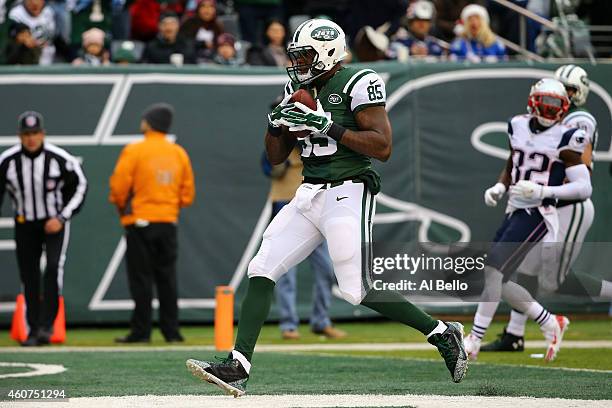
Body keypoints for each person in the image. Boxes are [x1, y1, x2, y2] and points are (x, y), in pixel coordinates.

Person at [186, 18, 468, 397]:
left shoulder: (358, 82)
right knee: (262, 266)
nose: (299, 63)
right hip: (309, 192)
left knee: (356, 289)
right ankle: (239, 364)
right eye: (296, 55)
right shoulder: (295, 87)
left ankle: (440, 333)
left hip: (348, 190)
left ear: (329, 53)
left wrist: (327, 125)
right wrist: (274, 126)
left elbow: (382, 147)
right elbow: (276, 158)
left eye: (306, 55)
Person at [481, 65, 612, 353]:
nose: (562, 94)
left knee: (554, 282)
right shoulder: (534, 124)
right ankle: (515, 334)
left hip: (568, 204)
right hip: (546, 205)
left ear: (579, 93)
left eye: (569, 89)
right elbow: (518, 158)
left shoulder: (578, 121)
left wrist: (545, 187)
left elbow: (580, 168)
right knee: (524, 269)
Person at [110, 103, 195, 344]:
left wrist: (122, 209)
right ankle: (172, 332)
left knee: (141, 279)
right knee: (167, 278)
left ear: (149, 123)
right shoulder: (178, 152)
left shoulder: (135, 150)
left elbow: (119, 187)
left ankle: (141, 331)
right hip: (168, 222)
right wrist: (170, 206)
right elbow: (187, 194)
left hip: (140, 222)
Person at [0, 111, 88, 346]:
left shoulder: (58, 158)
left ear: (43, 134)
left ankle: (47, 327)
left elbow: (80, 185)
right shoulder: (7, 161)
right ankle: (33, 328)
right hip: (24, 224)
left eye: (35, 133)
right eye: (26, 134)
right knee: (29, 275)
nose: (31, 138)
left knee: (51, 268)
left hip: (53, 224)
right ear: (20, 136)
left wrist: (62, 216)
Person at [261, 145, 346, 340]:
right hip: (284, 203)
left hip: (313, 205)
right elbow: (269, 168)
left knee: (326, 268)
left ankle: (320, 321)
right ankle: (288, 325)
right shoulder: (280, 140)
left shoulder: (315, 139)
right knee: (285, 272)